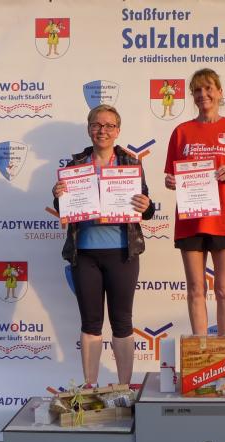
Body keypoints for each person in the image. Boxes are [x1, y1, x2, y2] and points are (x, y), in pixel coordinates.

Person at [53, 104, 154, 386]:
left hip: (123, 252)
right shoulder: (75, 166)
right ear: (89, 129)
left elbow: (146, 209)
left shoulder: (131, 163)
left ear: (118, 131)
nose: (102, 130)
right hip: (85, 254)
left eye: (109, 125)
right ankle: (90, 388)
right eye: (97, 125)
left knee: (122, 322)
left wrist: (147, 205)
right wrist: (58, 196)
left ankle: (123, 388)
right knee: (90, 322)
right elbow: (62, 208)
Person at [164, 68, 225, 336]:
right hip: (190, 220)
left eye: (208, 88)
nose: (203, 94)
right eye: (197, 90)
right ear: (192, 95)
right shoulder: (181, 131)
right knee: (195, 290)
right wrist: (172, 181)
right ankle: (200, 349)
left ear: (219, 92)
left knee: (224, 288)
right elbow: (171, 176)